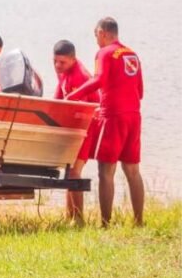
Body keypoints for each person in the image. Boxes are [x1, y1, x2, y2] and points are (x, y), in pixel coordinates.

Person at [67, 17, 144, 227]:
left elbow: (99, 79)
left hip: (113, 117)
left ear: (102, 33)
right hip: (134, 116)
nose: (96, 41)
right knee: (133, 171)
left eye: (96, 36)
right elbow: (141, 91)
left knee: (106, 170)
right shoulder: (133, 54)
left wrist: (74, 95)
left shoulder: (104, 53)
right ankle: (139, 221)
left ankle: (105, 223)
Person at [53, 39, 100, 225]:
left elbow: (83, 111)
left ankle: (79, 219)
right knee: (69, 171)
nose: (57, 66)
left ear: (73, 59)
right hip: (75, 126)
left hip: (87, 127)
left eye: (62, 62)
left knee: (74, 172)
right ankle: (69, 216)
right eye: (54, 61)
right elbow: (58, 99)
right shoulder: (64, 71)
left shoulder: (79, 77)